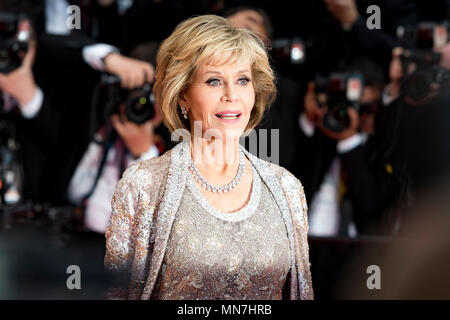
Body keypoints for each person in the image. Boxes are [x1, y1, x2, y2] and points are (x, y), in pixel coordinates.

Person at [104, 15, 313, 300]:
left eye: (242, 80)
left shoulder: (286, 188)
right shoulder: (144, 185)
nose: (232, 95)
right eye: (214, 81)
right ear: (182, 95)